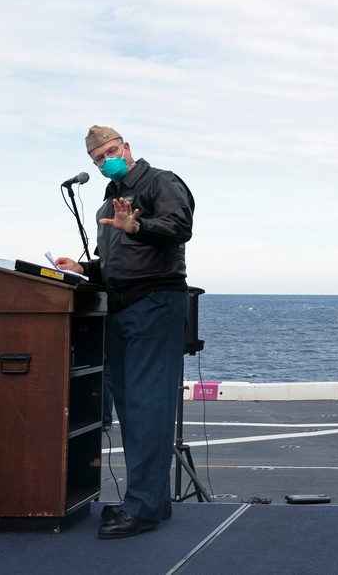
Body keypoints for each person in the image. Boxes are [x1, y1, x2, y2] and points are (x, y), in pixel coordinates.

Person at [55, 125, 194, 540]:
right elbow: (113, 264)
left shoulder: (160, 181)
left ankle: (144, 508)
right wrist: (83, 269)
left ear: (127, 147)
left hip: (153, 303)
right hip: (121, 308)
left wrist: (137, 228)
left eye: (110, 152)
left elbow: (178, 227)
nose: (105, 161)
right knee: (134, 410)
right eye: (98, 159)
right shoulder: (107, 199)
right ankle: (150, 500)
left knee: (147, 407)